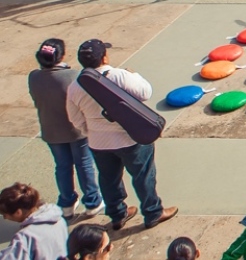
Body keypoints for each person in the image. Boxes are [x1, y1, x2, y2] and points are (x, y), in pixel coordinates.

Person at [63, 39, 176, 230]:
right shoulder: (119, 76)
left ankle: (117, 215)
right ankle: (153, 212)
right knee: (143, 176)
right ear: (104, 57)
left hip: (99, 143)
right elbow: (145, 92)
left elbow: (75, 119)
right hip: (130, 137)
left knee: (108, 180)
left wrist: (92, 132)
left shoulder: (75, 87)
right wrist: (135, 75)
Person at [28, 39, 100, 216]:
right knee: (84, 165)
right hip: (75, 130)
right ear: (62, 55)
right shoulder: (73, 76)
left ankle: (67, 203)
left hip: (51, 130)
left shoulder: (34, 77)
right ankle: (92, 202)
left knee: (62, 166)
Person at [0, 183, 68, 260]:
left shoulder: (25, 236)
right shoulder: (59, 220)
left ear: (18, 212)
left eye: (5, 214)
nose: (4, 218)